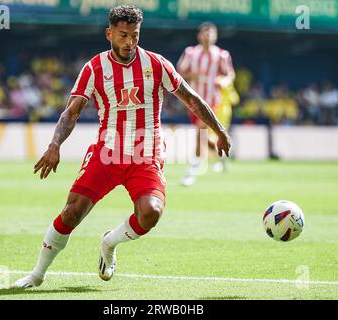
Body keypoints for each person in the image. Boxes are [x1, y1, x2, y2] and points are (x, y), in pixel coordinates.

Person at [13, 5, 231, 288]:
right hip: (107, 153)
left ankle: (109, 243)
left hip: (146, 154)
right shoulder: (94, 68)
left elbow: (191, 98)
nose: (129, 42)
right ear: (109, 34)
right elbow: (71, 111)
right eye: (123, 35)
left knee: (151, 212)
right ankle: (37, 274)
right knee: (72, 212)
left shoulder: (156, 64)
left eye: (135, 35)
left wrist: (219, 130)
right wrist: (55, 145)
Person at [177, 22, 235, 186]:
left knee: (200, 131)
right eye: (205, 33)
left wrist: (224, 80)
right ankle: (222, 153)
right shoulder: (190, 53)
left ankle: (191, 172)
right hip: (193, 99)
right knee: (204, 134)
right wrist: (190, 75)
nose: (208, 36)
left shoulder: (222, 55)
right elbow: (179, 72)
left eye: (211, 33)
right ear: (199, 36)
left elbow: (230, 74)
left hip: (213, 100)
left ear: (215, 36)